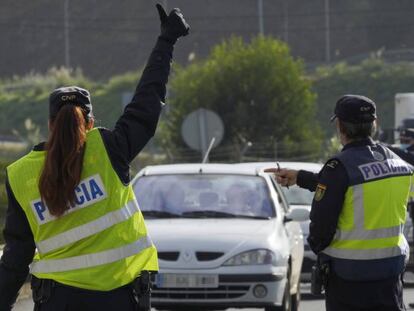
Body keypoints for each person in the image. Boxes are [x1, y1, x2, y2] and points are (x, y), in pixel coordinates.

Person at [0, 4, 189, 311]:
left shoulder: (20, 175)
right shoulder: (109, 148)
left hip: (56, 301)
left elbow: (17, 257)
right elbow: (147, 103)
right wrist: (166, 41)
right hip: (120, 298)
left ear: (50, 125)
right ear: (89, 122)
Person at [266, 95, 413, 311]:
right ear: (375, 124)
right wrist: (301, 177)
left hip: (349, 278)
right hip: (390, 274)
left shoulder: (339, 167)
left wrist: (320, 250)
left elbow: (321, 224)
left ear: (339, 126)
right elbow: (359, 182)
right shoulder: (399, 163)